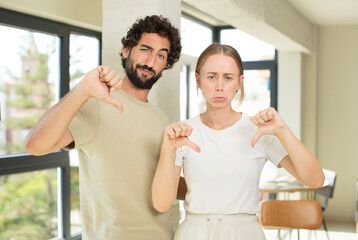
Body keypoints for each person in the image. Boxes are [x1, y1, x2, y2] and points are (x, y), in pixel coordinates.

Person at [25, 15, 182, 240]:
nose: (151, 62)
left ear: (166, 64)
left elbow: (160, 183)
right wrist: (82, 90)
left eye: (160, 55)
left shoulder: (161, 119)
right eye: (145, 50)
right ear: (127, 50)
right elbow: (35, 145)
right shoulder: (97, 103)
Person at [151, 43, 325, 240]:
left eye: (228, 78)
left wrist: (283, 131)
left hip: (244, 233)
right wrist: (168, 148)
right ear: (198, 80)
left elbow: (315, 180)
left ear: (240, 82)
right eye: (211, 76)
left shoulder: (260, 131)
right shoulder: (182, 134)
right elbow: (162, 203)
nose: (219, 86)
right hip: (194, 233)